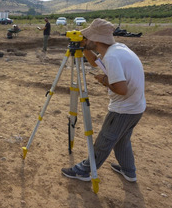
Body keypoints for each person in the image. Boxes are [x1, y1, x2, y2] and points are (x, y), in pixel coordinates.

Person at [61, 18, 146, 183]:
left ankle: (85, 171)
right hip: (136, 107)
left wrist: (103, 80)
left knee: (105, 140)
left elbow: (121, 90)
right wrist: (84, 47)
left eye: (87, 37)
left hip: (124, 109)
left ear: (96, 39)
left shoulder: (113, 58)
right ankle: (129, 171)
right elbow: (95, 62)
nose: (85, 38)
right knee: (122, 141)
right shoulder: (117, 49)